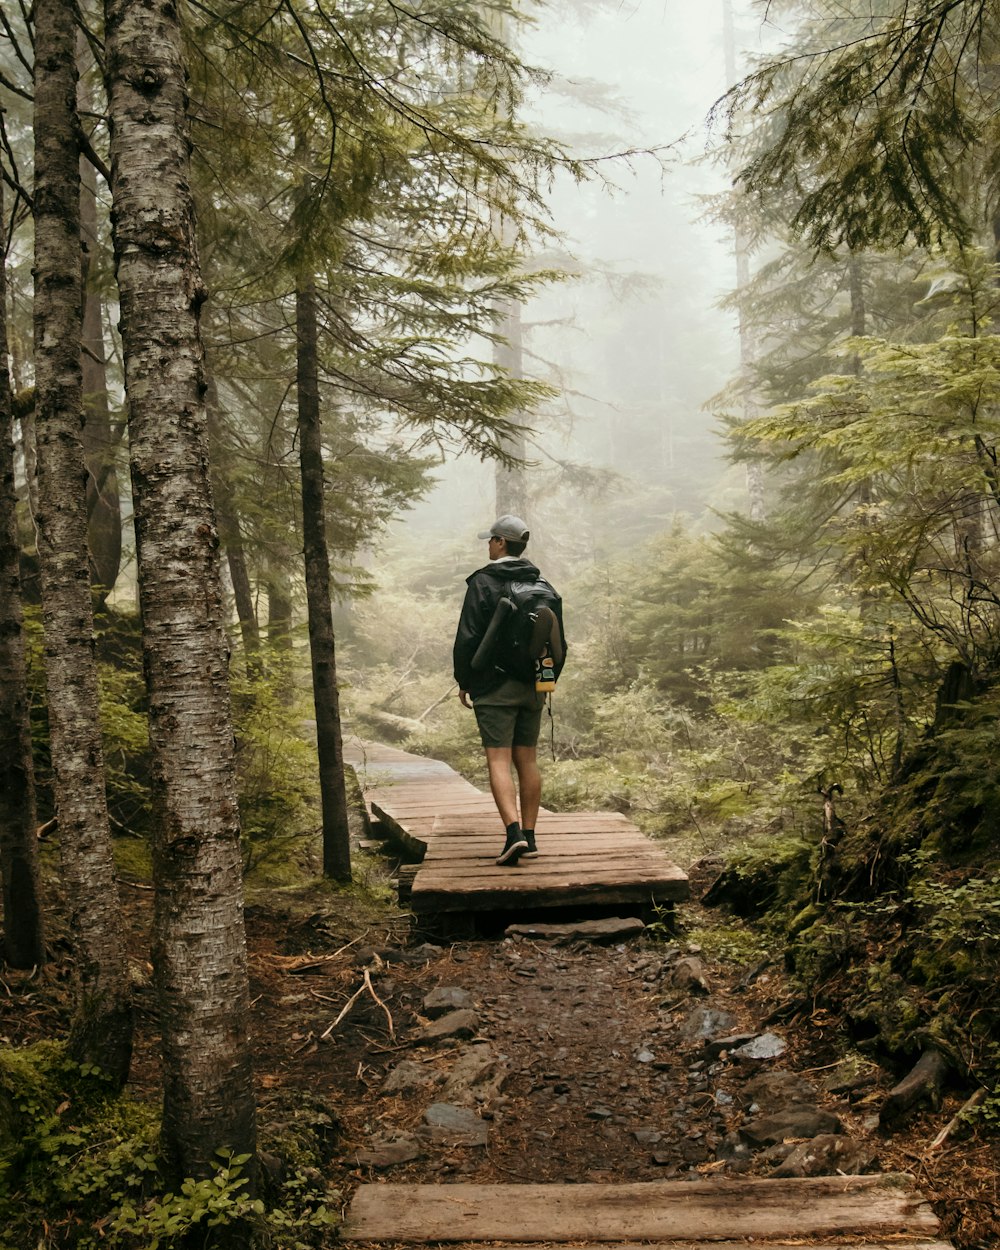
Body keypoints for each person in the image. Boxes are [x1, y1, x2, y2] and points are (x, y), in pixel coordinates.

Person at [453, 515, 565, 866]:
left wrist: (464, 680)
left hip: (494, 686)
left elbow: (468, 636)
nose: (488, 545)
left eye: (491, 540)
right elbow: (559, 642)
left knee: (498, 760)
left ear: (501, 543)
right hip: (534, 687)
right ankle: (530, 838)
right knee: (527, 760)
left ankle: (513, 833)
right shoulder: (544, 586)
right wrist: (545, 682)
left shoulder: (484, 582)